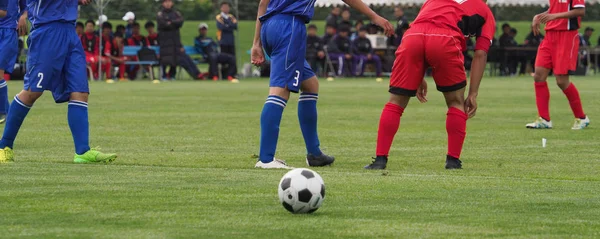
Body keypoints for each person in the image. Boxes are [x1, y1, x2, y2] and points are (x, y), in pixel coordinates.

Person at [251, 0, 393, 169]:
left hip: (270, 26)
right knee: (280, 90)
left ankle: (314, 154)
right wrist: (374, 16)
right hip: (288, 27)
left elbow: (262, 3)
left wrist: (256, 42)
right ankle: (266, 159)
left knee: (310, 84)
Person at [364, 0, 495, 170]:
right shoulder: (484, 10)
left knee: (395, 102)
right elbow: (480, 55)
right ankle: (453, 161)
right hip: (445, 37)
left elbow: (424, 30)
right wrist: (473, 94)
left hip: (412, 37)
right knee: (456, 102)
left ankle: (380, 160)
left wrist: (418, 75)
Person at [0, 0, 117, 164]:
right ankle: (4, 146)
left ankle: (82, 151)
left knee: (80, 91)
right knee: (32, 91)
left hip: (70, 30)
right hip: (46, 31)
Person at [527, 0, 589, 129]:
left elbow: (580, 11)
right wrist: (538, 16)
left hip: (566, 36)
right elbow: (554, 10)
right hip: (550, 36)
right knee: (538, 76)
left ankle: (581, 118)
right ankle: (544, 119)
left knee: (561, 80)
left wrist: (554, 16)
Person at [157, 0, 206, 80]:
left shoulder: (176, 13)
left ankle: (196, 74)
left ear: (172, 3)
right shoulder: (160, 14)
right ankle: (164, 76)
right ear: (163, 3)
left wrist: (170, 22)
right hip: (165, 42)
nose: (168, 4)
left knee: (183, 59)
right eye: (166, 2)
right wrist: (173, 24)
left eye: (169, 2)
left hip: (175, 43)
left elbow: (180, 22)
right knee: (166, 59)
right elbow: (163, 25)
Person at [0, 0, 25, 124]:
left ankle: (3, 112)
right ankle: (8, 113)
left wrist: (23, 17)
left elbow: (27, 7)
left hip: (8, 31)